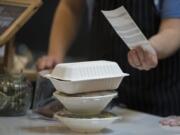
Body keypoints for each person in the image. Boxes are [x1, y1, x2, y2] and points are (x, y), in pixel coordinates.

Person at [37, 0, 180, 117]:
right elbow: (71, 7)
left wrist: (151, 49)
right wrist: (55, 55)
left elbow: (174, 29)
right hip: (98, 100)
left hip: (155, 104)